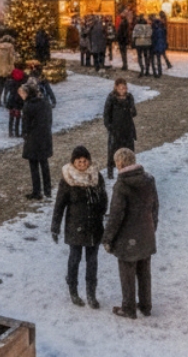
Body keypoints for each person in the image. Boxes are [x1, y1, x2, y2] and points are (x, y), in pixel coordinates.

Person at [102, 147, 159, 320]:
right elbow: (155, 207)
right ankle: (146, 305)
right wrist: (152, 227)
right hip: (146, 233)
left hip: (127, 238)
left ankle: (128, 308)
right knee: (144, 271)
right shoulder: (149, 180)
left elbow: (116, 216)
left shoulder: (122, 185)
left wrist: (108, 238)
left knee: (127, 273)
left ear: (119, 163)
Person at [51, 145, 107, 308]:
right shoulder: (67, 179)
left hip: (94, 225)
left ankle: (91, 293)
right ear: (73, 162)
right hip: (75, 225)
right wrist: (55, 225)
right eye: (78, 161)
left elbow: (104, 197)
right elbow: (59, 204)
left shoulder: (96, 176)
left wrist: (101, 211)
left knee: (92, 261)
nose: (82, 164)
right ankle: (73, 290)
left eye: (84, 161)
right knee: (74, 259)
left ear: (89, 161)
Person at [21, 79, 53, 201]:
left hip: (33, 139)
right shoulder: (45, 102)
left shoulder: (28, 106)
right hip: (45, 137)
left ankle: (37, 191)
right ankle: (47, 190)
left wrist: (25, 134)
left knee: (34, 165)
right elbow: (50, 120)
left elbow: (26, 125)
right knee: (44, 164)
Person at [103, 79, 137, 180]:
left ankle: (130, 170)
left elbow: (134, 113)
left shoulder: (129, 97)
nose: (123, 90)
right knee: (113, 151)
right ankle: (110, 171)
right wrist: (109, 127)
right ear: (116, 88)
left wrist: (131, 110)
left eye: (125, 88)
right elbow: (106, 114)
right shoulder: (111, 98)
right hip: (116, 129)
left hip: (127, 128)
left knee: (129, 150)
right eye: (121, 88)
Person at [0, 35, 18, 106]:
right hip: (8, 70)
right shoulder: (11, 47)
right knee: (8, 86)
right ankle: (6, 100)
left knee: (0, 85)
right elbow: (12, 59)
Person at [6, 66, 27, 137]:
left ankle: (10, 132)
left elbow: (8, 89)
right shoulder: (23, 82)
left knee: (11, 117)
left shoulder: (10, 82)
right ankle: (17, 132)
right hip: (19, 101)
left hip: (11, 101)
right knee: (18, 117)